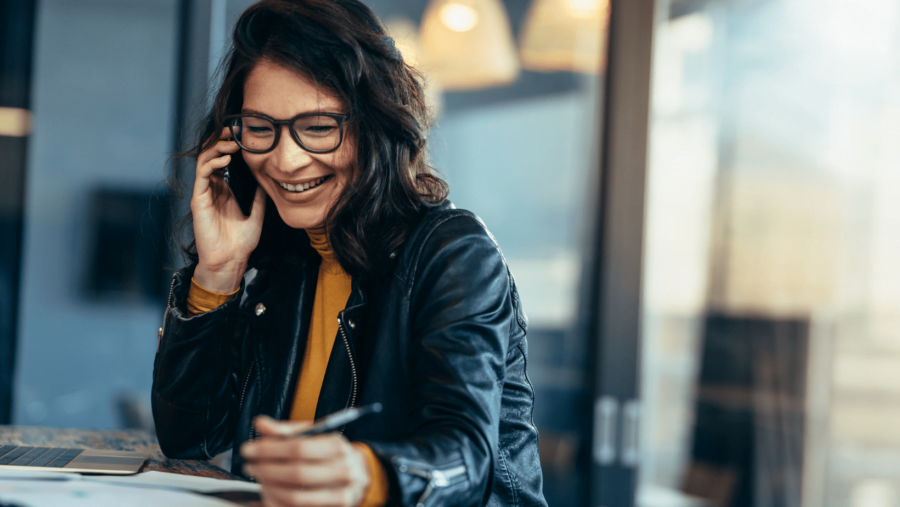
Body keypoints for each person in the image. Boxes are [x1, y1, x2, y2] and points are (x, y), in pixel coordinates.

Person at [151, 1, 546, 506]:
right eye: (260, 127)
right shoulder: (285, 262)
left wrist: (364, 476)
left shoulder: (454, 253)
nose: (285, 159)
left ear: (374, 126)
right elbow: (189, 440)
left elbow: (465, 457)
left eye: (318, 127)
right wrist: (219, 271)